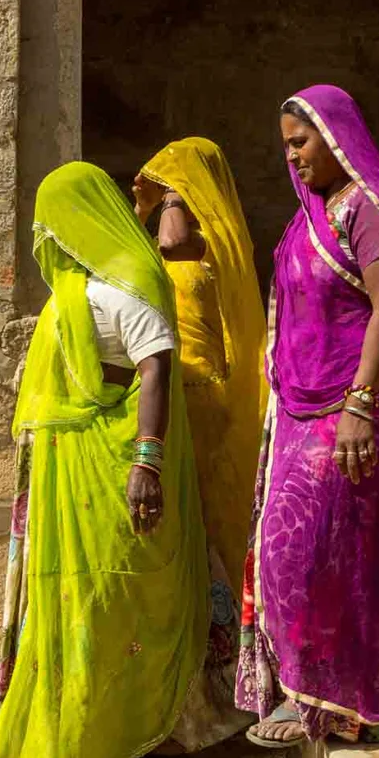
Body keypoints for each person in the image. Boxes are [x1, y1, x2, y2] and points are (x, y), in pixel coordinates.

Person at [0, 161, 237, 758]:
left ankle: (71, 757)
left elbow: (156, 363)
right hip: (68, 482)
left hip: (114, 472)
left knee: (113, 604)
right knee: (73, 615)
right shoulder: (75, 294)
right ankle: (80, 743)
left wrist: (145, 458)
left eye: (49, 223)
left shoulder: (123, 290)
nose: (41, 237)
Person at [236, 86, 379, 747]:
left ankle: (337, 695)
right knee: (288, 551)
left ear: (337, 137)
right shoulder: (311, 215)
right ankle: (314, 691)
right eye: (286, 145)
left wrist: (361, 404)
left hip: (355, 407)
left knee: (317, 552)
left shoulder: (371, 214)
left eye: (301, 142)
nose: (292, 157)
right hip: (300, 406)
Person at [132, 138, 267, 598]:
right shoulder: (159, 238)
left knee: (210, 519)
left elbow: (173, 243)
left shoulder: (216, 241)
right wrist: (141, 207)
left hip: (205, 399)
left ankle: (227, 639)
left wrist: (171, 196)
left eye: (177, 180)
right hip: (166, 393)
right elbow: (114, 259)